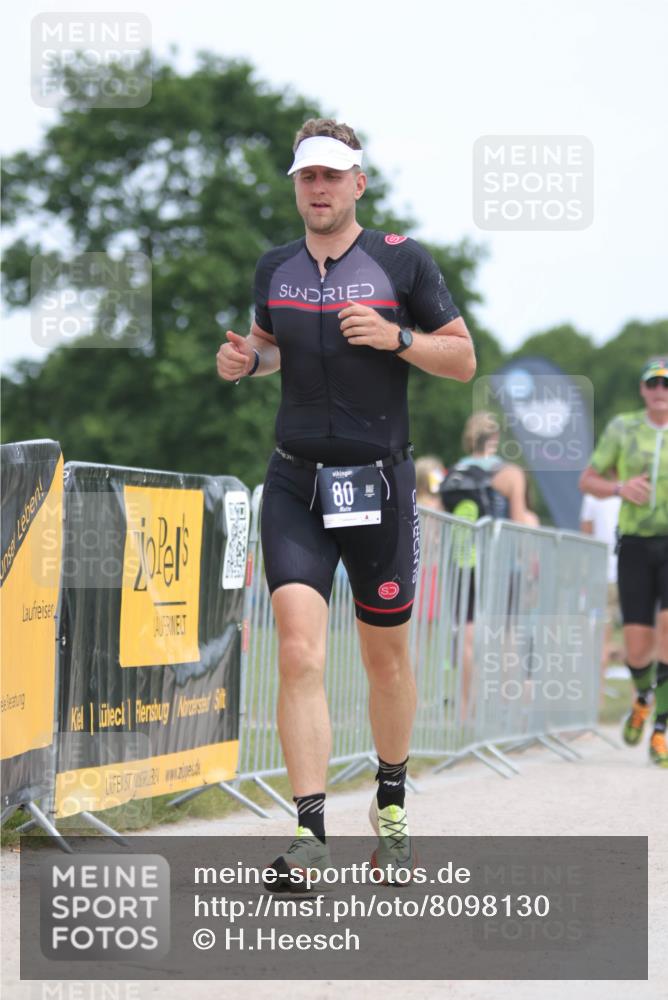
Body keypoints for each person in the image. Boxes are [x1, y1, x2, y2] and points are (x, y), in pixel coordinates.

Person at [216, 118, 476, 884]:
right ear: (296, 185)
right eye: (307, 177)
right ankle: (309, 835)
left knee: (385, 661)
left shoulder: (401, 261)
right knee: (297, 651)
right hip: (296, 481)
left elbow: (462, 359)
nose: (319, 189)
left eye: (332, 176)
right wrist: (243, 362)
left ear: (359, 183)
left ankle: (390, 807)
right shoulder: (277, 267)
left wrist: (397, 340)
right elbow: (268, 350)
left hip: (381, 484)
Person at [579, 358, 668, 767]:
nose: (660, 391)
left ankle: (662, 729)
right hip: (633, 543)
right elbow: (588, 481)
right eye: (653, 384)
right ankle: (644, 698)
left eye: (666, 385)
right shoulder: (622, 427)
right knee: (636, 646)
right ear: (642, 389)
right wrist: (619, 486)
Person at [579, 491, 623, 685]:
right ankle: (642, 702)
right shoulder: (638, 491)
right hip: (631, 572)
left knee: (600, 640)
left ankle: (598, 697)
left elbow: (586, 536)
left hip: (603, 575)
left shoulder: (593, 496)